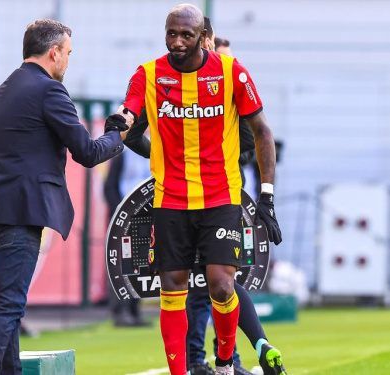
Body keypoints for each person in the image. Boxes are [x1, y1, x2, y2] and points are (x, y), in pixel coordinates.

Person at [116, 4, 282, 375]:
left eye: (185, 35)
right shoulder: (148, 74)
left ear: (200, 35)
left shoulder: (231, 72)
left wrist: (267, 197)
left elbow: (263, 133)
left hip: (221, 197)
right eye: (171, 33)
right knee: (172, 289)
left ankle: (225, 360)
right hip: (171, 200)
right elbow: (129, 117)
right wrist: (128, 127)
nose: (177, 41)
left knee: (222, 285)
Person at [0, 19, 128, 374]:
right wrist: (119, 135)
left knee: (8, 306)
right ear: (53, 52)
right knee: (8, 307)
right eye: (68, 53)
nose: (68, 61)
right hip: (21, 213)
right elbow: (86, 152)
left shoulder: (2, 92)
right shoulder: (49, 91)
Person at [104, 149, 152, 327]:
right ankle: (120, 312)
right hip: (125, 217)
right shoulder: (121, 154)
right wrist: (120, 215)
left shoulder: (154, 151)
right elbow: (109, 187)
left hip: (145, 216)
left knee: (142, 266)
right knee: (120, 266)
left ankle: (134, 311)